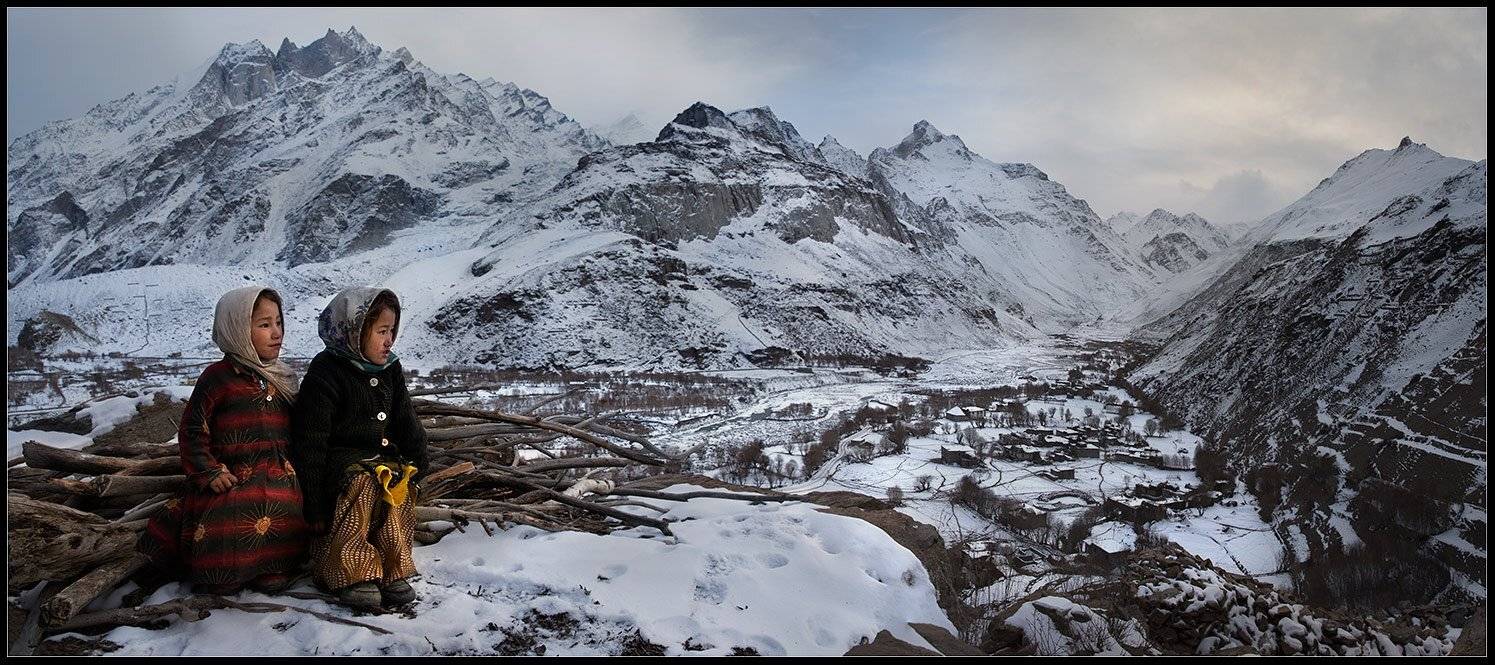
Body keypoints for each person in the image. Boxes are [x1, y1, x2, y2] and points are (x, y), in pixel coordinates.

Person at [139, 286, 308, 594]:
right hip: (231, 473)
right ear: (236, 329)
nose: (276, 333)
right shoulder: (218, 377)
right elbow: (193, 430)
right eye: (264, 325)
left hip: (278, 473)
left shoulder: (284, 377)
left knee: (286, 505)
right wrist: (209, 471)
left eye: (279, 323)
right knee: (232, 510)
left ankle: (271, 567)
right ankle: (223, 574)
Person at [291, 287, 429, 609]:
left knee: (396, 481)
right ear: (354, 331)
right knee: (364, 483)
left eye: (392, 331)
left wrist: (418, 462)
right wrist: (313, 505)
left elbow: (405, 418)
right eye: (381, 331)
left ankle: (392, 568)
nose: (389, 340)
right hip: (340, 468)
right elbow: (310, 441)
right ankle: (352, 572)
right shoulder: (326, 372)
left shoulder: (389, 369)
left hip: (379, 459)